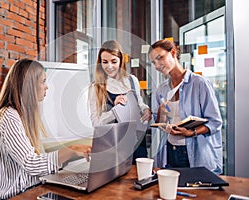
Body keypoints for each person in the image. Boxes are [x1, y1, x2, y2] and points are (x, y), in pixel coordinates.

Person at [0, 58, 91, 199]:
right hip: (17, 196)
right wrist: (71, 150)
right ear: (29, 85)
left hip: (33, 191)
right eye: (43, 82)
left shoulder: (26, 115)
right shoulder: (8, 117)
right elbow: (31, 164)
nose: (46, 87)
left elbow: (37, 159)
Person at [148, 39, 223, 174]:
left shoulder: (199, 84)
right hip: (170, 151)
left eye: (160, 58)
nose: (157, 65)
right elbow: (159, 122)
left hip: (195, 153)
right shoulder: (161, 90)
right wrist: (161, 113)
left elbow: (215, 122)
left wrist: (191, 132)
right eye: (153, 62)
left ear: (173, 52)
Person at [88, 40, 152, 161]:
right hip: (113, 147)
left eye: (114, 61)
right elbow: (96, 123)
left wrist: (146, 109)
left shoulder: (132, 80)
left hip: (137, 143)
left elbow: (140, 103)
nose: (109, 66)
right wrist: (115, 110)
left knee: (139, 177)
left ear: (121, 61)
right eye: (105, 62)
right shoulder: (96, 87)